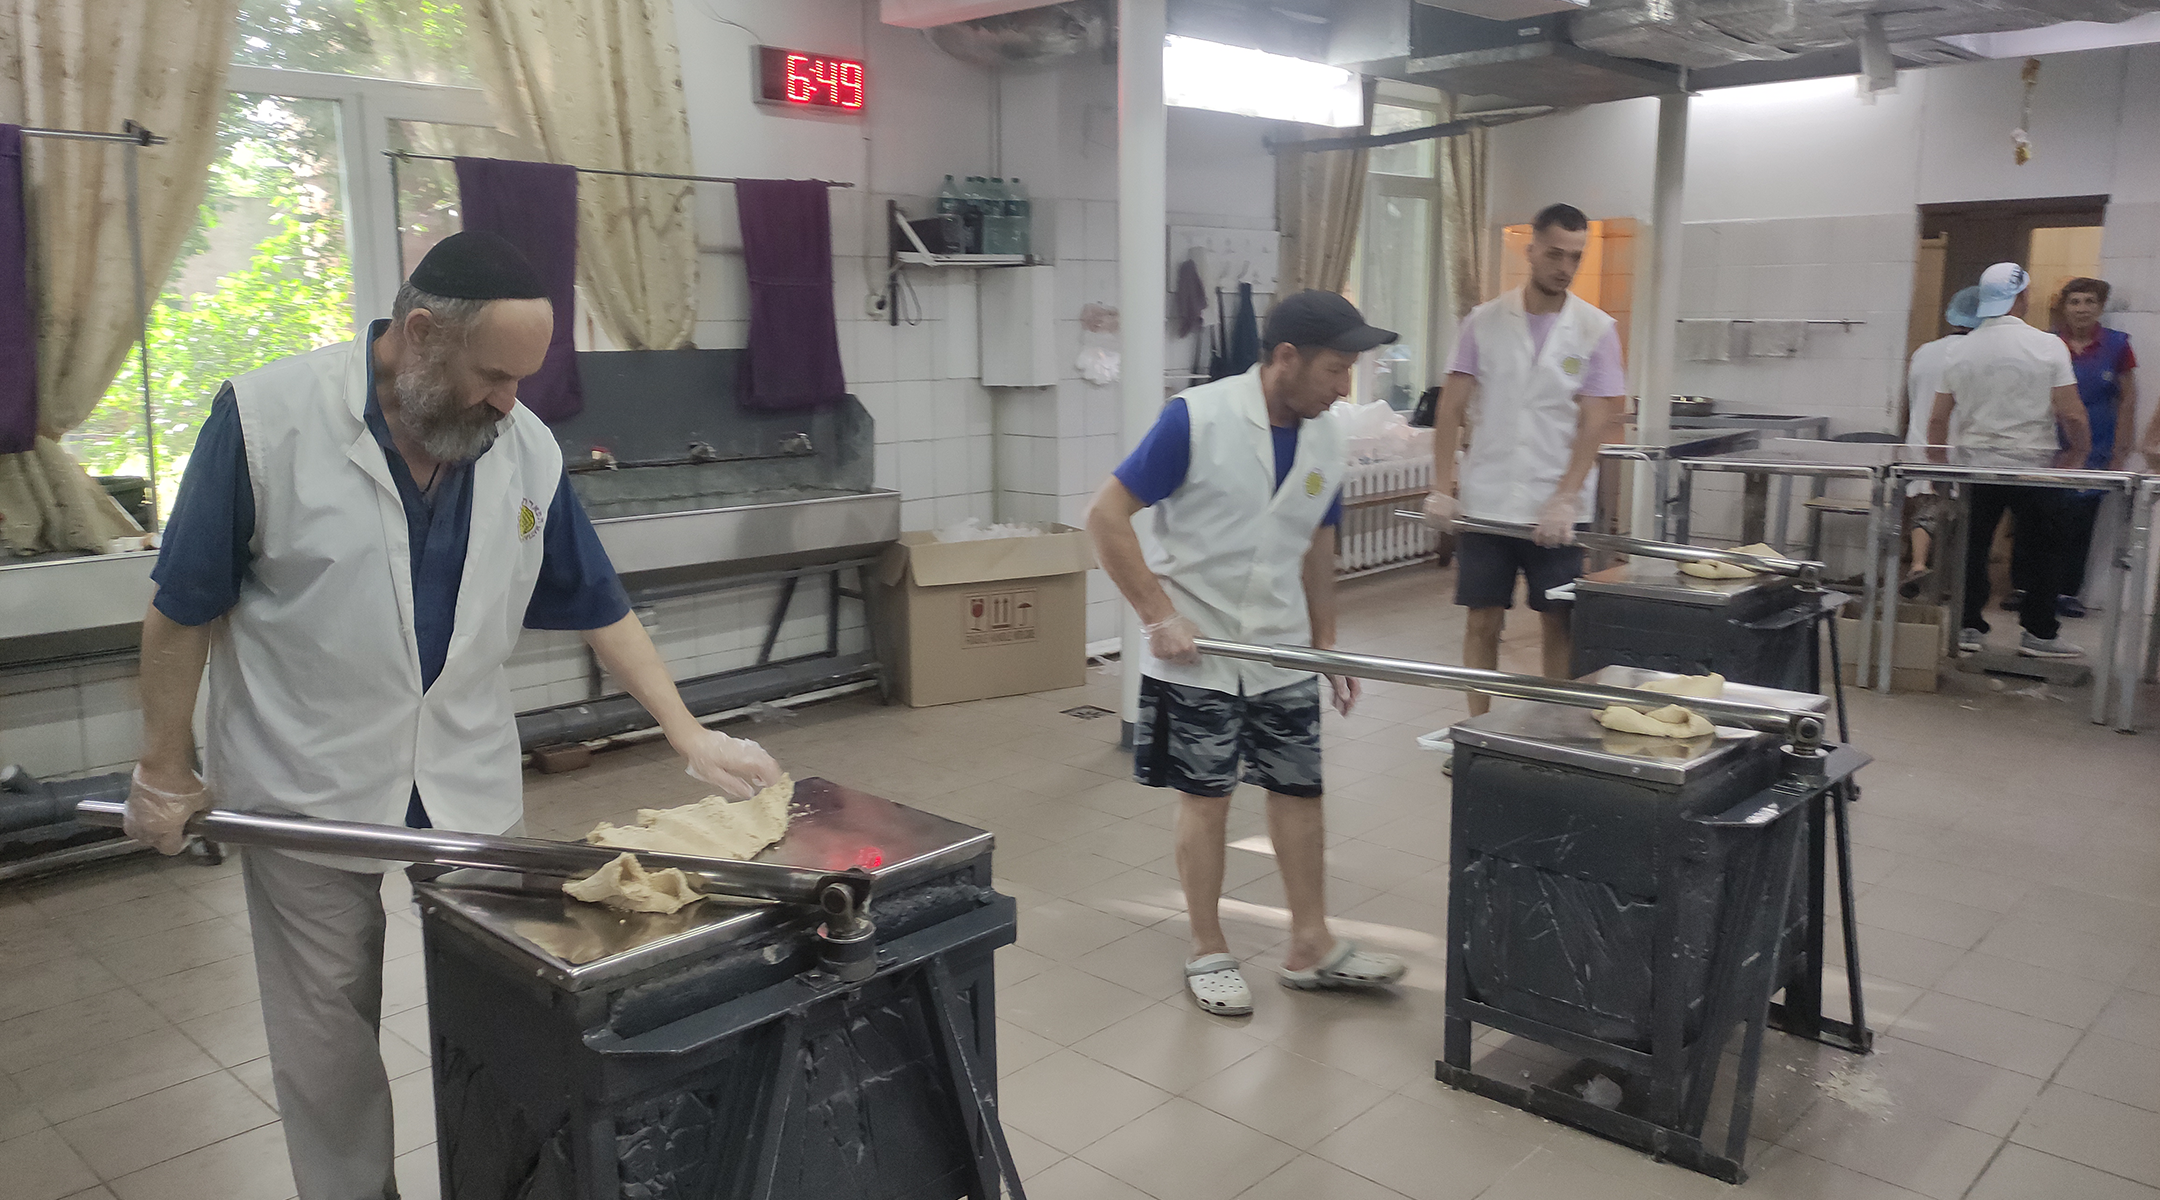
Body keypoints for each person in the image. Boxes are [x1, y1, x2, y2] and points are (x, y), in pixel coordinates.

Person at [126, 232, 782, 1200]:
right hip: (308, 782)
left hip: (467, 780)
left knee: (502, 1010)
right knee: (326, 1031)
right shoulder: (268, 419)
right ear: (420, 334)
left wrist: (687, 732)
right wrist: (163, 767)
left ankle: (499, 1183)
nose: (510, 400)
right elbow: (182, 611)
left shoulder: (520, 448)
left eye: (524, 379)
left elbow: (598, 601)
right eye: (494, 375)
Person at [1085, 289, 1406, 1018]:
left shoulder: (1328, 432)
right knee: (1208, 799)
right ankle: (1207, 946)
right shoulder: (1194, 420)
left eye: (1351, 370)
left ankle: (1311, 944)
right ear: (1285, 358)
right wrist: (1158, 614)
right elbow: (1105, 517)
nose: (1344, 386)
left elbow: (1319, 540)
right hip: (1200, 647)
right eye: (1334, 369)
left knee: (1300, 790)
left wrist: (1326, 641)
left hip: (1281, 647)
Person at [1420, 203, 1627, 747]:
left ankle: (1555, 733)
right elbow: (1450, 408)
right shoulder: (1483, 322)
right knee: (1482, 620)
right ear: (1530, 249)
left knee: (1558, 621)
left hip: (1555, 511)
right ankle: (1478, 729)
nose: (1564, 266)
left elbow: (1596, 419)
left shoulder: (1595, 329)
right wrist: (1443, 486)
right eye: (1555, 253)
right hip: (1489, 502)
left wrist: (1564, 497)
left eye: (1575, 257)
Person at [1928, 261, 2091, 659]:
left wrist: (1936, 468)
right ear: (2023, 297)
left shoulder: (1959, 348)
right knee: (2043, 549)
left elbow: (1937, 418)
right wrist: (2078, 453)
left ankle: (1967, 627)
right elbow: (2071, 413)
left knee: (1972, 545)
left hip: (1974, 463)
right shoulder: (2048, 345)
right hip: (2032, 464)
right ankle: (2038, 633)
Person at [2047, 277, 2137, 617]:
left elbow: (2128, 399)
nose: (2082, 309)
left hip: (2096, 445)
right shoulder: (2048, 343)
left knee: (2079, 520)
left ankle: (2067, 591)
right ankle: (2025, 586)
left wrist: (2120, 449)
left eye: (2089, 302)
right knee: (2040, 515)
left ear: (2100, 308)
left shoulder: (2117, 345)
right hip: (2050, 443)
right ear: (2064, 306)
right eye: (2075, 302)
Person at [1898, 285, 1983, 593]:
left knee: (1927, 506)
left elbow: (1910, 400)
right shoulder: (1978, 354)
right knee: (1961, 516)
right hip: (1961, 442)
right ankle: (1950, 582)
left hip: (1921, 441)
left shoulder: (1924, 351)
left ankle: (1919, 564)